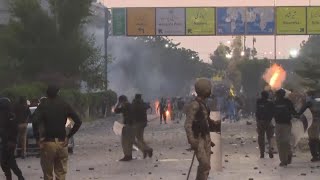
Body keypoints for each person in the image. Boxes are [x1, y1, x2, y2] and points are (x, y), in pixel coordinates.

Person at [33, 85, 82, 180]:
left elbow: (35, 121)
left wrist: (38, 138)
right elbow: (78, 121)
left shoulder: (43, 105)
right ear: (58, 93)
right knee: (61, 173)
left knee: (48, 173)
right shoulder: (64, 104)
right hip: (62, 143)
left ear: (46, 94)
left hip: (48, 143)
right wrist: (69, 136)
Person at [185, 78, 220, 180]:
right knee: (204, 164)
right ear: (205, 90)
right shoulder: (194, 105)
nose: (210, 91)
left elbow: (205, 119)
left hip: (206, 138)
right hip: (198, 138)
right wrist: (192, 140)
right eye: (209, 89)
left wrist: (214, 123)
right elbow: (187, 124)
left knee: (206, 166)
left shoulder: (203, 104)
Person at [0, 97, 25, 180]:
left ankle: (19, 176)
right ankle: (12, 176)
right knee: (5, 162)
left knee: (9, 161)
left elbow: (14, 129)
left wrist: (12, 141)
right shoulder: (4, 115)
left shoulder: (11, 116)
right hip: (4, 142)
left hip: (8, 142)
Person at [273, 89, 298, 167]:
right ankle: (286, 156)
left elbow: (270, 113)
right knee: (284, 142)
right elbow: (294, 112)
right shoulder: (287, 102)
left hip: (280, 124)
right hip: (284, 124)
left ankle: (284, 160)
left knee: (281, 142)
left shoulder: (275, 102)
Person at [298, 90, 320, 162]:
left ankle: (315, 155)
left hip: (312, 122)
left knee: (312, 139)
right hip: (318, 122)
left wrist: (297, 116)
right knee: (316, 138)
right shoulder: (318, 101)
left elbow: (301, 111)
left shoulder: (309, 102)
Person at [131, 94, 153, 158]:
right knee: (140, 139)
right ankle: (145, 150)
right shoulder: (143, 103)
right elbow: (148, 106)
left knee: (136, 139)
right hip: (143, 123)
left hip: (137, 123)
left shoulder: (134, 104)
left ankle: (147, 149)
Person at [114, 95, 135, 161]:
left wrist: (118, 104)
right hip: (133, 126)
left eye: (120, 101)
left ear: (122, 101)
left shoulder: (125, 106)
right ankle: (129, 156)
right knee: (129, 141)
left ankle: (127, 156)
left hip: (128, 126)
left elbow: (116, 110)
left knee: (124, 141)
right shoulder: (130, 105)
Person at [256, 91, 274, 159]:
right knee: (270, 137)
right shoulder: (271, 103)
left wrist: (257, 120)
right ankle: (270, 150)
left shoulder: (258, 101)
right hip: (268, 122)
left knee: (261, 137)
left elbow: (257, 111)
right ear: (267, 95)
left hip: (260, 122)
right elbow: (273, 112)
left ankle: (262, 153)